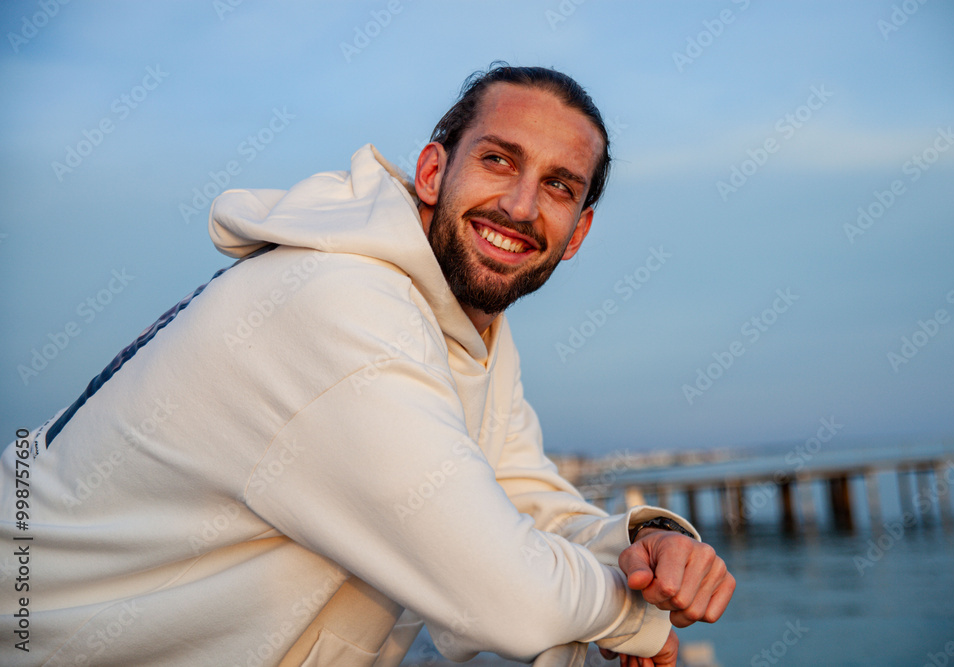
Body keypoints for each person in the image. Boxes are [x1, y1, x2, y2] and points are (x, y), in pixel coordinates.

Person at [1, 64, 734, 667]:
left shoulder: (469, 326)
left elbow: (521, 498)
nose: (518, 204)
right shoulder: (342, 305)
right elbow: (502, 593)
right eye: (497, 159)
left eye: (557, 185)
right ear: (430, 170)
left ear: (578, 233)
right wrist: (637, 620)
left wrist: (647, 545)